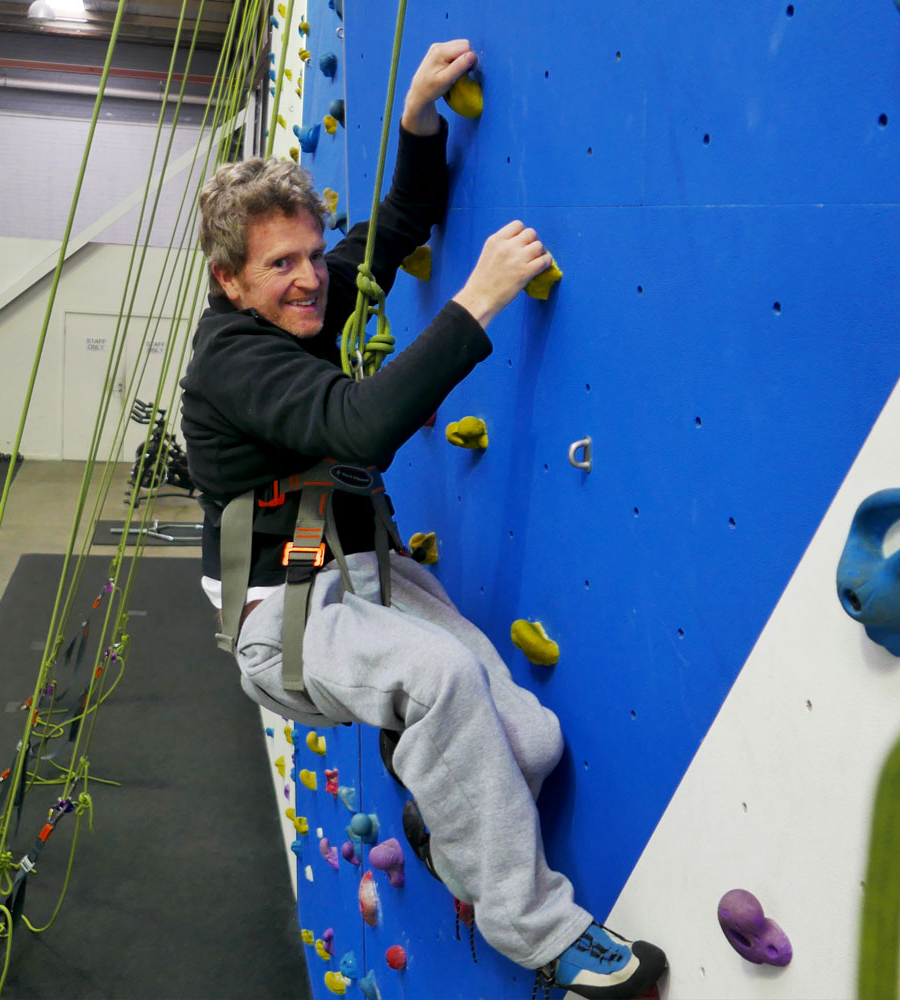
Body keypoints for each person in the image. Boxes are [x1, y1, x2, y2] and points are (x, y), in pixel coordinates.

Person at [180, 39, 667, 999]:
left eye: (315, 256)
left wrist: (416, 118)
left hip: (361, 576)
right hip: (285, 617)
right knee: (442, 675)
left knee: (529, 742)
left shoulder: (301, 309)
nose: (312, 279)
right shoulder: (233, 362)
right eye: (282, 265)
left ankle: (443, 829)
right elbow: (357, 428)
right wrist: (479, 300)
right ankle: (547, 935)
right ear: (230, 279)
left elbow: (398, 225)